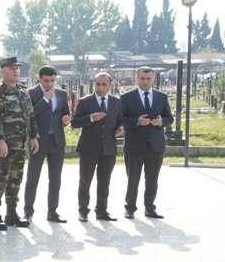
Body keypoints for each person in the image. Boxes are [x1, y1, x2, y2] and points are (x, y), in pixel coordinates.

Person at [0, 57, 40, 230]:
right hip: (3, 147)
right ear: (2, 71)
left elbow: (30, 115)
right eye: (11, 68)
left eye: (17, 68)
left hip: (20, 145)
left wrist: (33, 136)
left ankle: (12, 213)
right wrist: (0, 140)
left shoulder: (23, 92)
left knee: (15, 180)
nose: (15, 71)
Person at [120, 67, 173, 219]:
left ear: (153, 79)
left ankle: (150, 208)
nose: (145, 81)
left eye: (148, 79)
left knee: (152, 179)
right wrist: (136, 121)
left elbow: (169, 118)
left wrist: (161, 121)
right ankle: (130, 208)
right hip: (134, 146)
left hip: (155, 145)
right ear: (137, 78)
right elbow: (121, 119)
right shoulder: (126, 97)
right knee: (133, 179)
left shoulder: (161, 97)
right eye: (142, 78)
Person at [72, 72, 123, 222]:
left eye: (104, 84)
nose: (101, 87)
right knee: (85, 181)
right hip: (89, 148)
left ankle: (101, 211)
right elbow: (74, 123)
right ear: (94, 84)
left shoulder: (117, 102)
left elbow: (121, 121)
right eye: (98, 84)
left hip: (108, 149)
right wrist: (90, 118)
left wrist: (121, 128)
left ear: (110, 85)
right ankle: (83, 211)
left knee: (104, 181)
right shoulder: (85, 102)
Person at [24, 66, 71, 223]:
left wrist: (66, 118)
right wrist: (45, 99)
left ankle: (52, 212)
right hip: (38, 141)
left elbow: (64, 113)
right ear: (39, 78)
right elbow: (29, 116)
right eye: (46, 81)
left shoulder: (62, 94)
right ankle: (28, 211)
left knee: (55, 178)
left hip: (57, 141)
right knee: (33, 177)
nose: (49, 84)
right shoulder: (30, 93)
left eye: (52, 80)